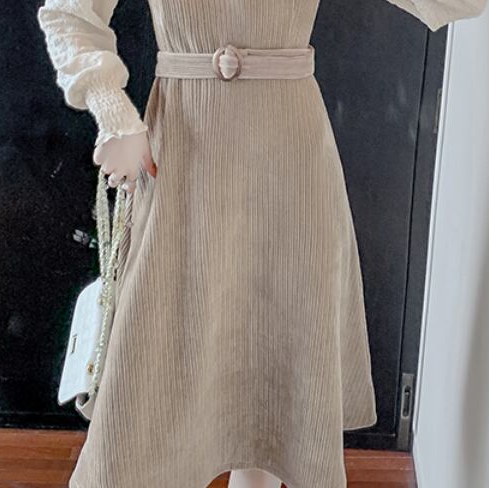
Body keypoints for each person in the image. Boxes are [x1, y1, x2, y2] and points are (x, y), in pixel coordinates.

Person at [37, 0, 487, 486]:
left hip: (290, 158)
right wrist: (115, 117)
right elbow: (69, 14)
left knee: (273, 350)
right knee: (155, 361)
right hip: (183, 155)